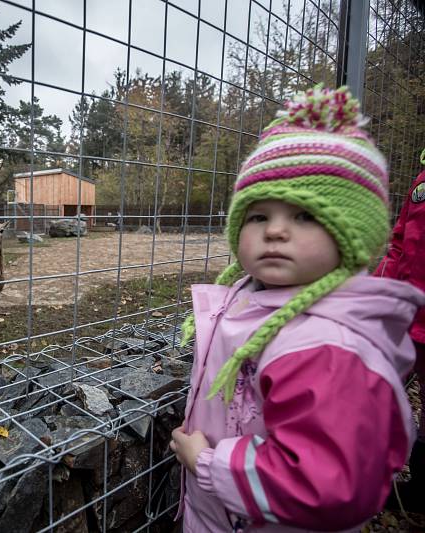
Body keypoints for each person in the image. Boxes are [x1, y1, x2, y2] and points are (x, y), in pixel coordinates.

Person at [169, 86, 425, 532]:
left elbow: (326, 485)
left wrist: (208, 464)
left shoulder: (327, 348)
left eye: (305, 215)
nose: (276, 232)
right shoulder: (252, 297)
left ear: (353, 236)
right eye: (258, 216)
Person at [373, 147, 425, 514]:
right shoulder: (423, 176)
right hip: (409, 315)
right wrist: (377, 293)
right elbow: (400, 243)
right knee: (372, 387)